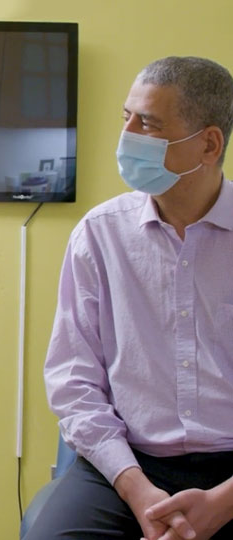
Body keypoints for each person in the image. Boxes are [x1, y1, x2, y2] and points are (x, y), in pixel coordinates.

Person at [26, 56, 233, 540]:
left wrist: (222, 504)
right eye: (127, 118)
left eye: (149, 124)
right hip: (129, 465)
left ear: (208, 143)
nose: (128, 137)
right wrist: (138, 491)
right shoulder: (99, 235)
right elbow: (74, 382)